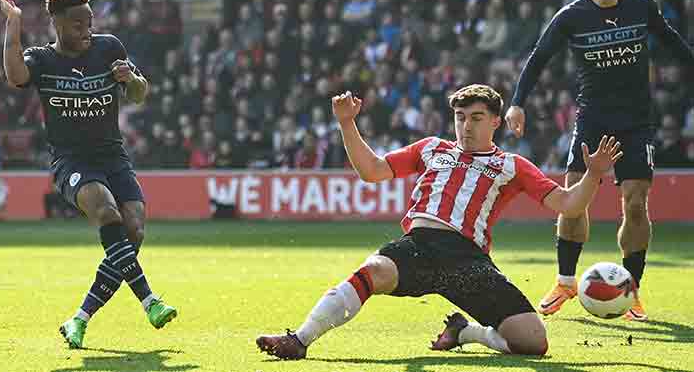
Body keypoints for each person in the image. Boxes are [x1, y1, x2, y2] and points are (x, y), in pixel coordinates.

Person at [257, 84, 622, 359]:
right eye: (460, 118)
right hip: (419, 246)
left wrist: (592, 176)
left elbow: (569, 204)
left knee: (533, 343)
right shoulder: (431, 148)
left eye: (476, 118)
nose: (466, 126)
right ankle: (299, 339)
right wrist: (347, 124)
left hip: (468, 261)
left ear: (496, 122)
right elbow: (372, 171)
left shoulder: (511, 165)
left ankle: (466, 333)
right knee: (373, 270)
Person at [505, 0, 694, 322]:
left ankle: (631, 290)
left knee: (636, 204)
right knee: (575, 198)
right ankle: (565, 281)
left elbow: (674, 44)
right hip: (593, 119)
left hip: (637, 121)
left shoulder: (642, 7)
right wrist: (517, 101)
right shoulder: (571, 16)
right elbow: (539, 58)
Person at [0, 0, 177, 349]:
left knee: (135, 231)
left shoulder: (109, 47)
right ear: (58, 25)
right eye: (78, 24)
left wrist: (132, 80)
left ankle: (79, 319)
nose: (87, 30)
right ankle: (150, 300)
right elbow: (16, 76)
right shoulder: (43, 60)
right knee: (107, 212)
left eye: (90, 22)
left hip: (113, 156)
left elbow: (140, 94)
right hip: (72, 161)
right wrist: (14, 23)